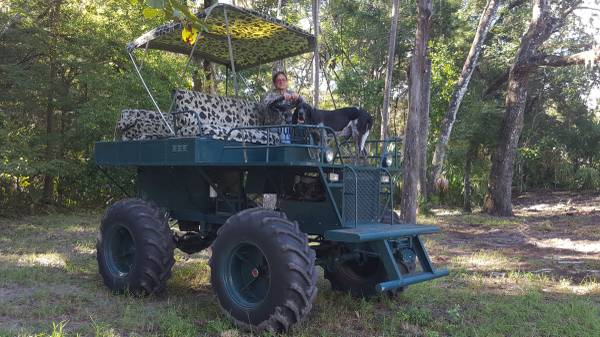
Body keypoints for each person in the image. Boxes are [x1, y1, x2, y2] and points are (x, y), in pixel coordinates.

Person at [261, 71, 302, 143]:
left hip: (290, 125)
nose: (281, 82)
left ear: (286, 82)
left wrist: (299, 98)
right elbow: (268, 104)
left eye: (283, 80)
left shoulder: (291, 93)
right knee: (284, 129)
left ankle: (312, 153)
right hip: (272, 126)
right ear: (275, 83)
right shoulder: (269, 95)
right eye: (278, 80)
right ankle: (287, 152)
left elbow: (305, 105)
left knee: (306, 128)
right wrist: (282, 97)